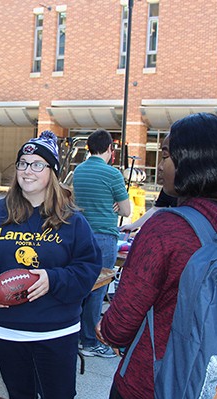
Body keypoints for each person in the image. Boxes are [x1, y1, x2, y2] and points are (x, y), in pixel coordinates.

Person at [97, 113, 217, 399]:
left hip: (156, 381)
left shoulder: (167, 227)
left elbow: (120, 324)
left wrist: (106, 328)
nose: (162, 164)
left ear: (190, 162)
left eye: (166, 155)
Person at [0, 130, 102, 399]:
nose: (28, 171)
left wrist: (54, 279)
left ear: (52, 172)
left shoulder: (72, 221)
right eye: (23, 164)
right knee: (20, 395)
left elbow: (88, 267)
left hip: (56, 329)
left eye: (38, 164)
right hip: (7, 329)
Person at [72, 129, 130, 358]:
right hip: (104, 236)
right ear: (110, 149)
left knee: (80, 287)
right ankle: (89, 341)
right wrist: (115, 203)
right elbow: (126, 210)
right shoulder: (112, 174)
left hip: (80, 235)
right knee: (98, 290)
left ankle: (75, 335)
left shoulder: (79, 171)